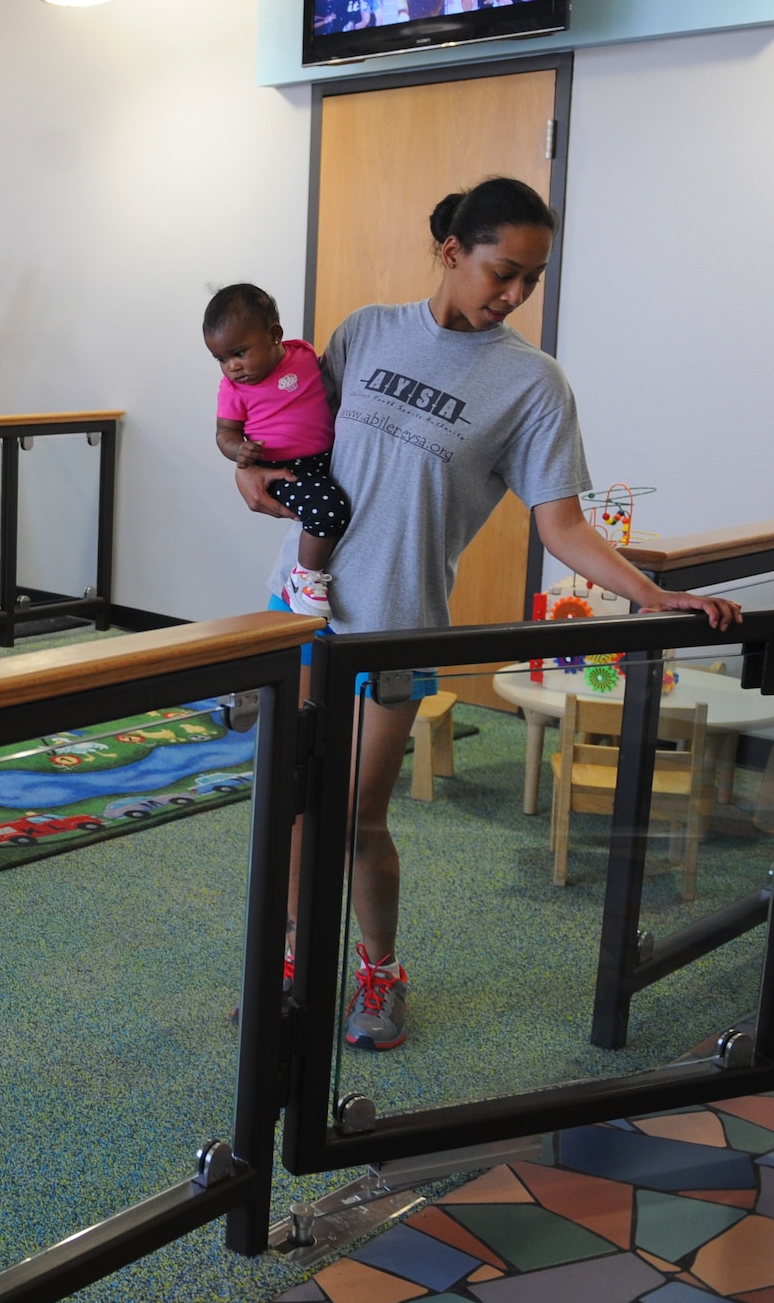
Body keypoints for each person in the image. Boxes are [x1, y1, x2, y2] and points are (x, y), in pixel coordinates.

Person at [233, 176, 743, 1052]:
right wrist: (246, 470)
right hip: (300, 610)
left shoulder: (533, 385)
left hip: (394, 625)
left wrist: (652, 595)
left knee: (356, 814)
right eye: (501, 270)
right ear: (449, 252)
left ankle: (378, 968)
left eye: (530, 280)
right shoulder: (363, 332)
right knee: (289, 807)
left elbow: (562, 524)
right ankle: (285, 964)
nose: (512, 294)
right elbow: (293, 438)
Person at [209, 284, 350, 619]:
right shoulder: (233, 389)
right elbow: (224, 433)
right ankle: (304, 578)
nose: (232, 367)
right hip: (282, 469)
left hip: (324, 459)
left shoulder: (302, 355)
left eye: (239, 353)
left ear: (274, 335)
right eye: (221, 359)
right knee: (329, 510)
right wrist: (240, 453)